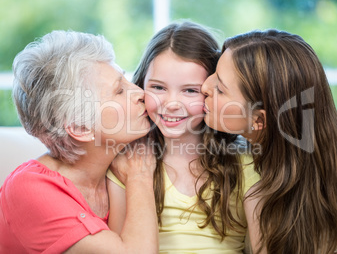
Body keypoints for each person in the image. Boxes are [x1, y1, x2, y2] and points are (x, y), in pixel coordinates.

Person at [201, 29, 337, 254]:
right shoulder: (237, 152)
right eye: (214, 74)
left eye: (219, 89)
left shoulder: (333, 201)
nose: (204, 86)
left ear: (258, 119)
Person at [0, 30, 158, 253]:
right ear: (80, 128)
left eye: (127, 81)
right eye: (120, 91)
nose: (141, 93)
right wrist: (140, 175)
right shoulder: (28, 190)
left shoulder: (117, 163)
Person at [107, 20, 261, 253]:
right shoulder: (126, 161)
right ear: (141, 86)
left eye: (190, 91)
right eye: (158, 88)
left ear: (212, 91)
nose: (171, 104)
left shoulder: (244, 161)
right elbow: (119, 247)